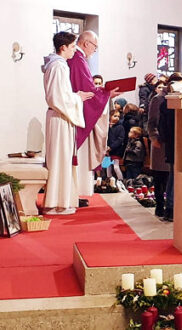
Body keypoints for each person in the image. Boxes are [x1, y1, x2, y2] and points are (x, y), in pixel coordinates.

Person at [42, 31, 93, 215]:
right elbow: (56, 97)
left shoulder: (58, 65)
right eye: (72, 47)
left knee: (63, 158)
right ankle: (56, 204)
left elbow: (60, 95)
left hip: (61, 116)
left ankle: (63, 201)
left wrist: (76, 98)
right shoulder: (58, 66)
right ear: (63, 47)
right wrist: (78, 97)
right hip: (59, 116)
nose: (74, 51)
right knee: (60, 159)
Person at [68, 30, 121, 201]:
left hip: (76, 111)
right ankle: (74, 193)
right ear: (85, 43)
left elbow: (89, 88)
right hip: (78, 114)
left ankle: (75, 193)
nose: (94, 51)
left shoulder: (77, 59)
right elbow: (88, 91)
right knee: (80, 156)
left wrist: (104, 93)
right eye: (94, 47)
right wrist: (106, 95)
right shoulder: (78, 59)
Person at [148, 73, 182, 219]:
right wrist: (155, 138)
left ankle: (168, 207)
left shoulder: (179, 98)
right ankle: (160, 206)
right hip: (160, 143)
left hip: (173, 141)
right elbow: (152, 122)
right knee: (160, 177)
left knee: (170, 176)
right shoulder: (159, 99)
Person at [158, 72, 182, 221]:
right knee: (174, 177)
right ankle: (170, 208)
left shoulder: (167, 102)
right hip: (176, 144)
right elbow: (162, 127)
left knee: (173, 177)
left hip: (176, 143)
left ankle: (171, 209)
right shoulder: (168, 102)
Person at [106, 109, 125, 181]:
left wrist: (111, 147)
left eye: (118, 116)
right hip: (107, 150)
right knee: (107, 166)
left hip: (116, 150)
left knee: (116, 166)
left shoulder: (120, 127)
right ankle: (109, 180)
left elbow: (120, 139)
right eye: (115, 116)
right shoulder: (107, 127)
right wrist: (106, 147)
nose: (117, 118)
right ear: (110, 116)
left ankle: (121, 180)